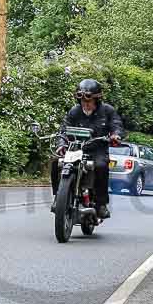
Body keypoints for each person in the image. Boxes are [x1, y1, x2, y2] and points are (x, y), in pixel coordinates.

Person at [50, 79, 124, 219]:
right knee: (56, 162)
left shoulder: (107, 111)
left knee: (101, 166)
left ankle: (101, 204)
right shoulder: (74, 111)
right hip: (76, 148)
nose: (86, 104)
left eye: (89, 101)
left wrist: (116, 135)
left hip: (97, 149)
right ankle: (58, 198)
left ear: (97, 99)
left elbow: (117, 125)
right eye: (83, 101)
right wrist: (61, 144)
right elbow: (63, 129)